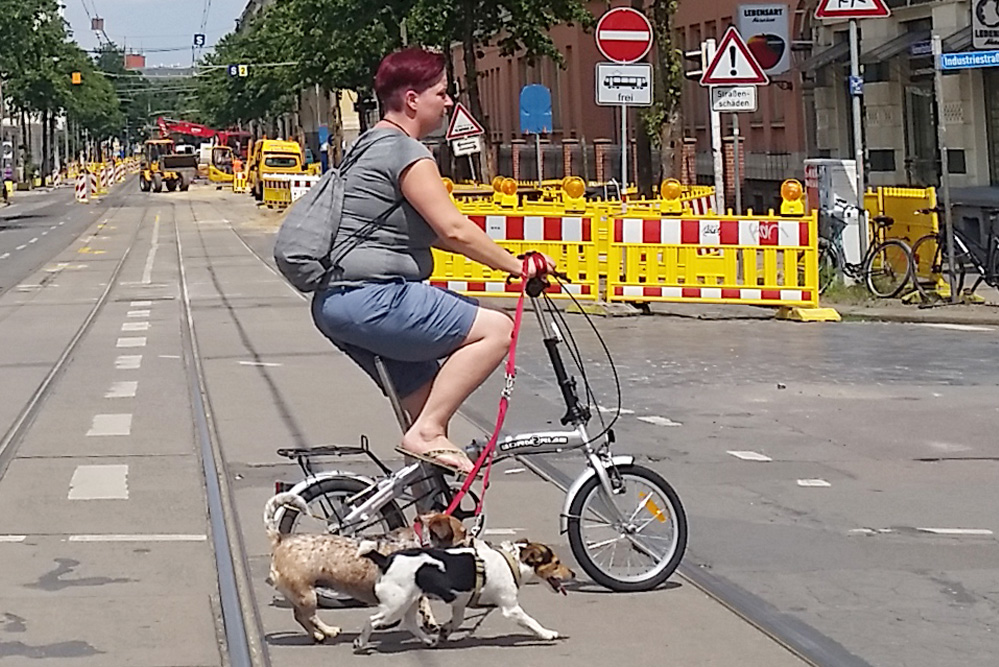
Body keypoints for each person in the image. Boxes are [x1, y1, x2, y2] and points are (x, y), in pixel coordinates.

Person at [310, 47, 554, 474]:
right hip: (374, 297)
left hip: (338, 302)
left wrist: (498, 256)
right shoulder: (407, 154)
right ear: (411, 99)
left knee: (421, 414)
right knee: (497, 330)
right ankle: (428, 433)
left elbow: (435, 235)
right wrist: (518, 267)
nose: (447, 102)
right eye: (440, 93)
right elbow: (454, 229)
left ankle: (427, 518)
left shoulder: (367, 146)